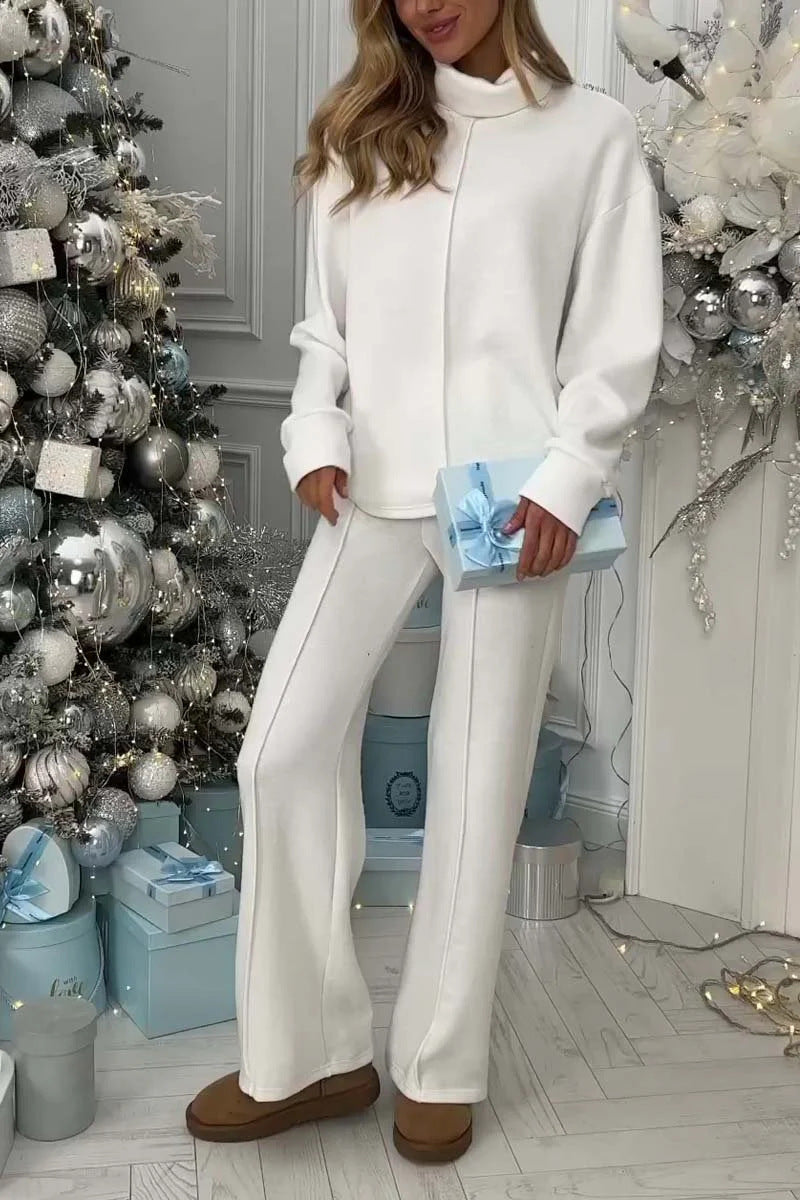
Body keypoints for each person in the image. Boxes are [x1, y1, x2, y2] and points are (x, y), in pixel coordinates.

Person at [187, 0, 663, 1164]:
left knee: (473, 773)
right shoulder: (362, 130)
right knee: (280, 749)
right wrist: (312, 435)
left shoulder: (587, 136)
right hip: (373, 492)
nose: (427, 5)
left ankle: (439, 1065)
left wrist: (567, 474)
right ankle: (308, 1055)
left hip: (511, 503)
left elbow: (613, 333)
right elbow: (324, 333)